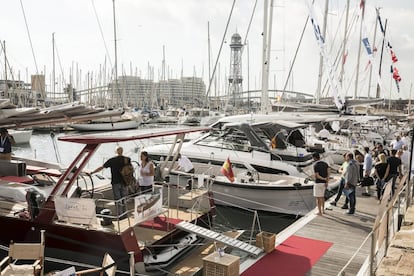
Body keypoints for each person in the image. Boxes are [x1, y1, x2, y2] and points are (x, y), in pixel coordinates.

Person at [90, 146, 128, 217]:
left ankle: (120, 215)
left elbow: (102, 167)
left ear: (116, 151)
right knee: (124, 198)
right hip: (125, 182)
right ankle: (125, 214)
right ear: (122, 151)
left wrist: (92, 172)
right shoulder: (127, 159)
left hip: (115, 182)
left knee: (118, 199)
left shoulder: (112, 160)